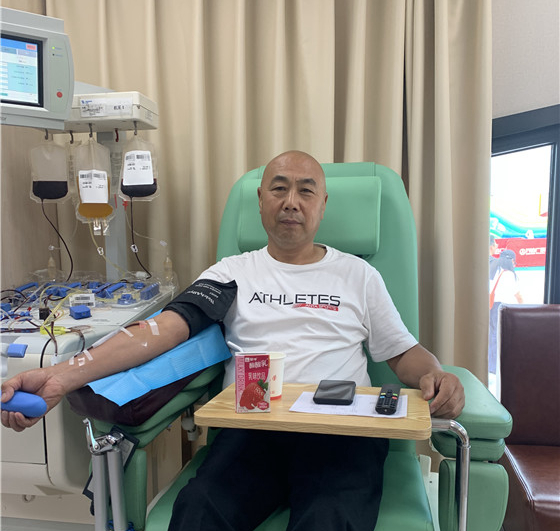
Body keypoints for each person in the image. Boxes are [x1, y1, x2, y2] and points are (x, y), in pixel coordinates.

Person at [2, 150, 465, 531]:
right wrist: (60, 376)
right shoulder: (231, 273)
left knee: (330, 519)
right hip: (252, 432)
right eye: (279, 188)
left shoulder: (357, 275)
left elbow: (402, 352)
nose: (291, 202)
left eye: (306, 191)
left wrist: (435, 374)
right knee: (199, 512)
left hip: (340, 433)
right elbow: (161, 330)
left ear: (323, 204)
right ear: (261, 200)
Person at [488, 249, 523, 374]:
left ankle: (491, 365)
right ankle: (497, 365)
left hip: (492, 307)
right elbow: (518, 295)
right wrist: (523, 307)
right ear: (512, 261)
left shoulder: (494, 270)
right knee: (501, 336)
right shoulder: (509, 275)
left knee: (493, 335)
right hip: (503, 308)